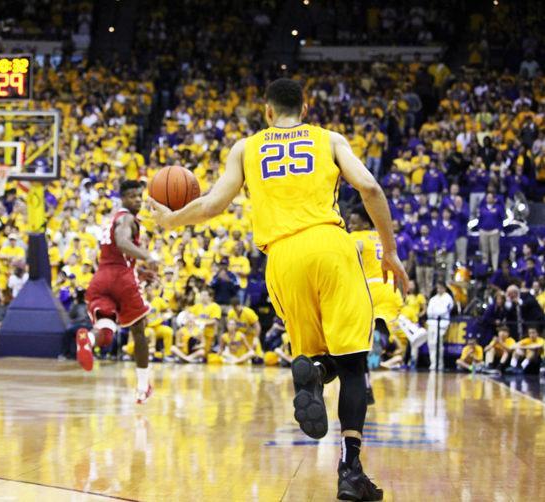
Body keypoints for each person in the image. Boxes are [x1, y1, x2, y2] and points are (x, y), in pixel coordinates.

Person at [150, 78, 407, 500]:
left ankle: (316, 373)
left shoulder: (246, 149)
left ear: (267, 112)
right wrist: (390, 251)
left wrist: (171, 221)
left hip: (282, 260)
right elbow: (371, 188)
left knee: (322, 355)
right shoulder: (329, 139)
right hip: (330, 248)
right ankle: (350, 470)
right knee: (355, 365)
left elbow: (213, 204)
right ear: (304, 109)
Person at [81, 180, 158, 404]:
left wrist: (137, 272)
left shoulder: (110, 220)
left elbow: (114, 253)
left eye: (139, 196)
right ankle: (143, 386)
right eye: (133, 196)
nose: (137, 200)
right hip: (121, 277)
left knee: (105, 328)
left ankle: (88, 342)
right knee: (139, 331)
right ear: (122, 199)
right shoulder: (127, 219)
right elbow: (123, 243)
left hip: (101, 277)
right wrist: (148, 257)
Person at [349, 205, 406, 401]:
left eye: (354, 223)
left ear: (365, 223)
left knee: (359, 345)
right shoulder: (383, 238)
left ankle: (373, 349)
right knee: (380, 327)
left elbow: (350, 254)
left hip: (370, 290)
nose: (350, 225)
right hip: (390, 289)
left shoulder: (357, 237)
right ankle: (367, 389)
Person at [425, 282, 454, 371]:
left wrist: (436, 312)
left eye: (441, 288)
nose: (439, 290)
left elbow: (444, 311)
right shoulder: (433, 299)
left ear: (444, 288)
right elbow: (429, 311)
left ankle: (439, 364)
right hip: (432, 323)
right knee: (431, 344)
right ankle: (433, 363)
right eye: (438, 288)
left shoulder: (448, 298)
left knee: (438, 344)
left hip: (442, 324)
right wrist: (435, 313)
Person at [58, 288, 92, 360]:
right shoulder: (75, 305)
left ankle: (91, 354)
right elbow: (70, 315)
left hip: (87, 325)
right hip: (77, 325)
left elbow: (91, 317)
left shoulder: (88, 305)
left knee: (92, 334)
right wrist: (75, 305)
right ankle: (66, 354)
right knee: (67, 332)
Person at [226, 297, 263, 363]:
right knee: (241, 358)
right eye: (234, 308)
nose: (236, 310)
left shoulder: (249, 312)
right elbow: (230, 327)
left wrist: (256, 338)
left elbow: (257, 326)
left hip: (251, 336)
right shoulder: (231, 313)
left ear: (240, 305)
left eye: (236, 308)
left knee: (258, 360)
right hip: (240, 338)